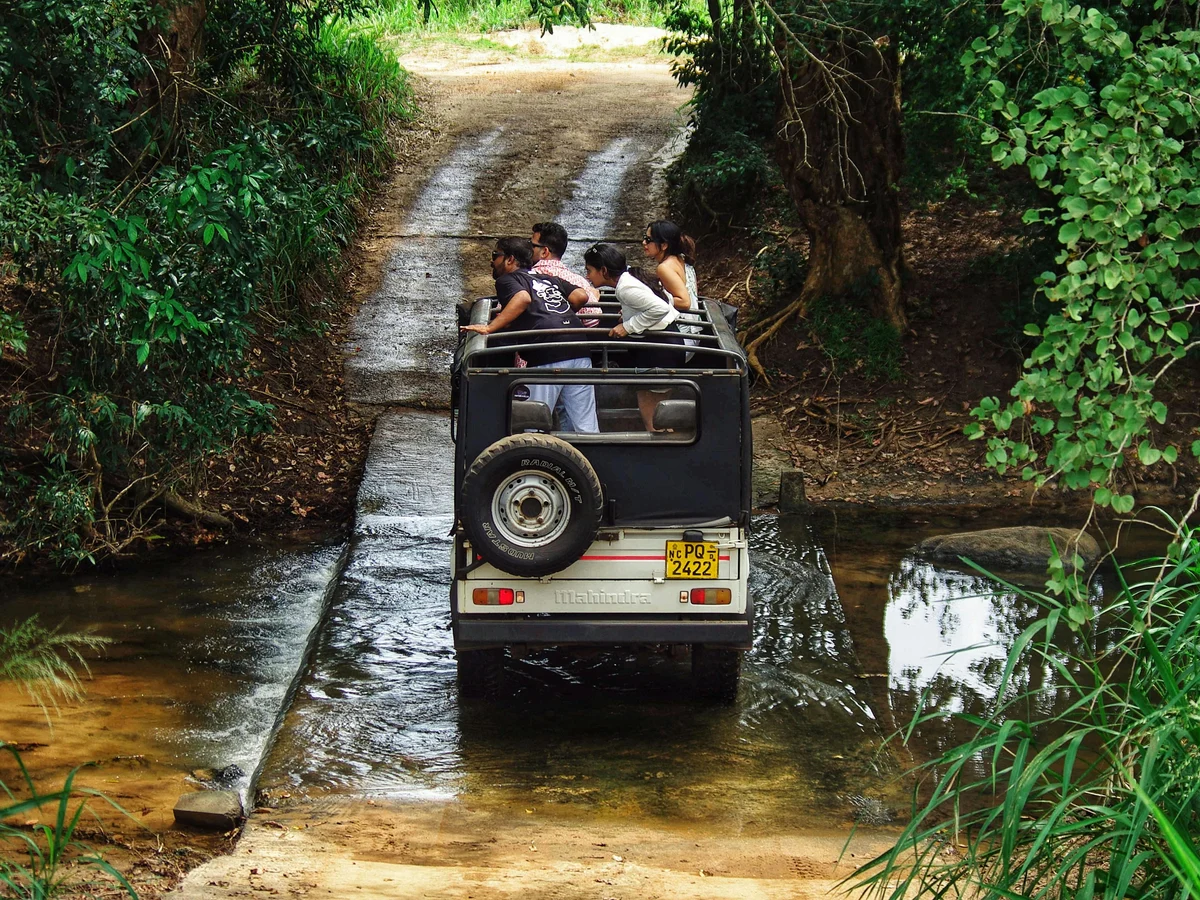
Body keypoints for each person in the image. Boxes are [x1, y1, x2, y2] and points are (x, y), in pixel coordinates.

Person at [461, 237, 598, 433]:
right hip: (578, 347)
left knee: (533, 422)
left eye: (495, 255)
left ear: (509, 259)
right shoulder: (548, 278)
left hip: (546, 351)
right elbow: (580, 296)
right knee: (585, 424)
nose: (492, 261)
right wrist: (558, 316)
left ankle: (530, 462)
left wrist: (490, 328)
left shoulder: (507, 279)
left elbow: (522, 298)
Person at [582, 242, 685, 431]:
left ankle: (661, 452)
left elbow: (660, 308)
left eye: (589, 270)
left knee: (653, 420)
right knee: (660, 414)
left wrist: (628, 326)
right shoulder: (630, 277)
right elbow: (663, 299)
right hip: (666, 346)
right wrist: (631, 314)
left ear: (603, 270)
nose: (587, 276)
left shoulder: (625, 288)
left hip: (658, 351)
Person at [643, 220, 701, 350]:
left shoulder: (664, 268)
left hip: (681, 338)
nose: (644, 243)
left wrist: (650, 301)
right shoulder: (681, 258)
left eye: (648, 240)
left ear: (664, 245)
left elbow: (684, 302)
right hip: (693, 335)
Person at [531, 222, 602, 327]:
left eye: (531, 245)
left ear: (544, 252)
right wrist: (594, 299)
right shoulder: (579, 282)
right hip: (572, 340)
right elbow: (593, 321)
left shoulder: (523, 276)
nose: (527, 248)